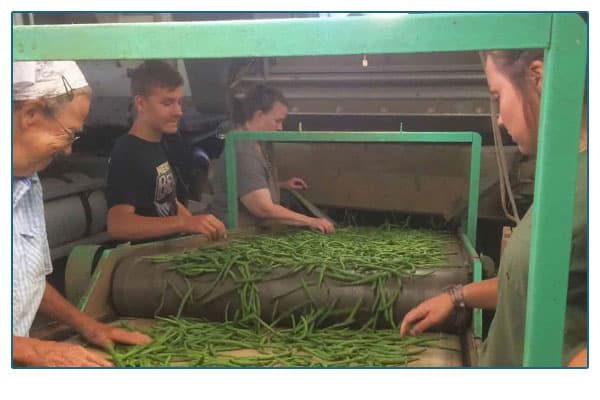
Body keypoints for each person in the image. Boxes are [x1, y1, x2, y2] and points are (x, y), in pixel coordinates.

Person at [399, 50, 587, 367]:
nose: (498, 118)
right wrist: (458, 297)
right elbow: (534, 283)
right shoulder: (566, 173)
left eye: (497, 95)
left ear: (538, 78)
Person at [12, 61, 152, 366]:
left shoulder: (27, 180)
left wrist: (86, 324)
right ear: (31, 114)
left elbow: (26, 283)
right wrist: (34, 350)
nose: (68, 151)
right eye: (68, 133)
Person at [106, 60, 226, 242]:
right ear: (141, 103)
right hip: (144, 261)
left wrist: (195, 223)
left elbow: (166, 199)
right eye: (168, 103)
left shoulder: (159, 143)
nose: (178, 111)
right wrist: (184, 224)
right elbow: (119, 225)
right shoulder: (127, 152)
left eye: (180, 102)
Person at [210, 85, 335, 233]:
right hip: (237, 233)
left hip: (254, 230)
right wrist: (311, 221)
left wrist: (280, 185)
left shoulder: (257, 142)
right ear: (259, 115)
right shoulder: (243, 150)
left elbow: (248, 183)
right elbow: (262, 208)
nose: (280, 127)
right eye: (277, 121)